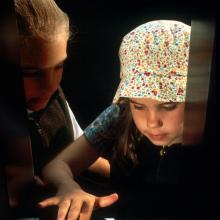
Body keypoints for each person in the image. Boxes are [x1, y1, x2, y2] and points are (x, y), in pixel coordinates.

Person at [38, 20, 192, 220]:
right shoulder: (120, 112)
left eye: (168, 105)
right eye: (138, 105)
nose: (152, 122)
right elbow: (58, 166)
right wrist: (68, 186)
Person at [13, 0, 108, 218]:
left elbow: (79, 151)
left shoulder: (53, 96)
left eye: (58, 66)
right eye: (31, 73)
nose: (50, 86)